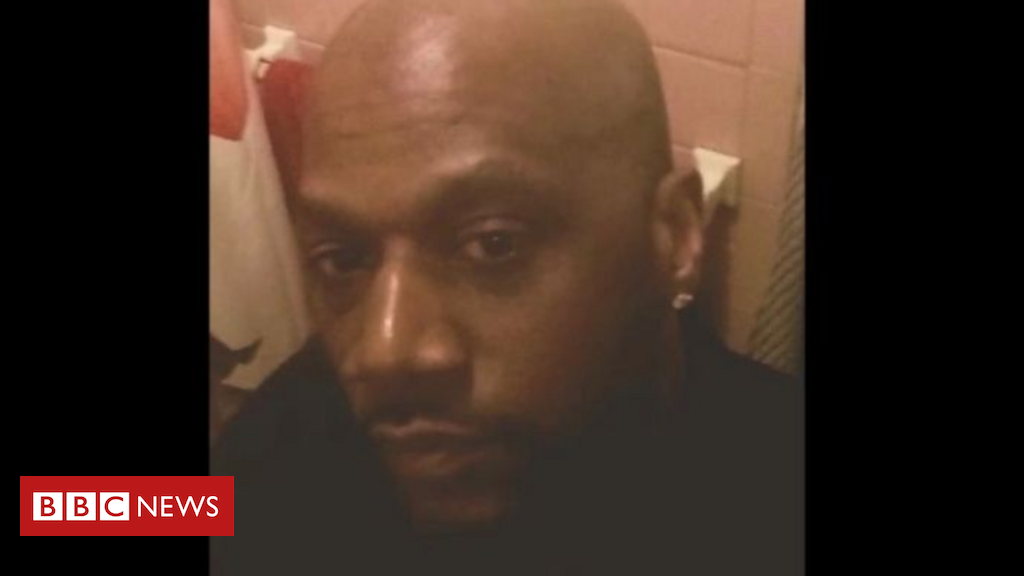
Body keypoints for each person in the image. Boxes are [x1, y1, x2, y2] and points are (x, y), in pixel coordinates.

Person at [211, 0, 803, 574]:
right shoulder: (302, 428)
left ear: (674, 235)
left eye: (493, 245)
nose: (383, 349)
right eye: (343, 259)